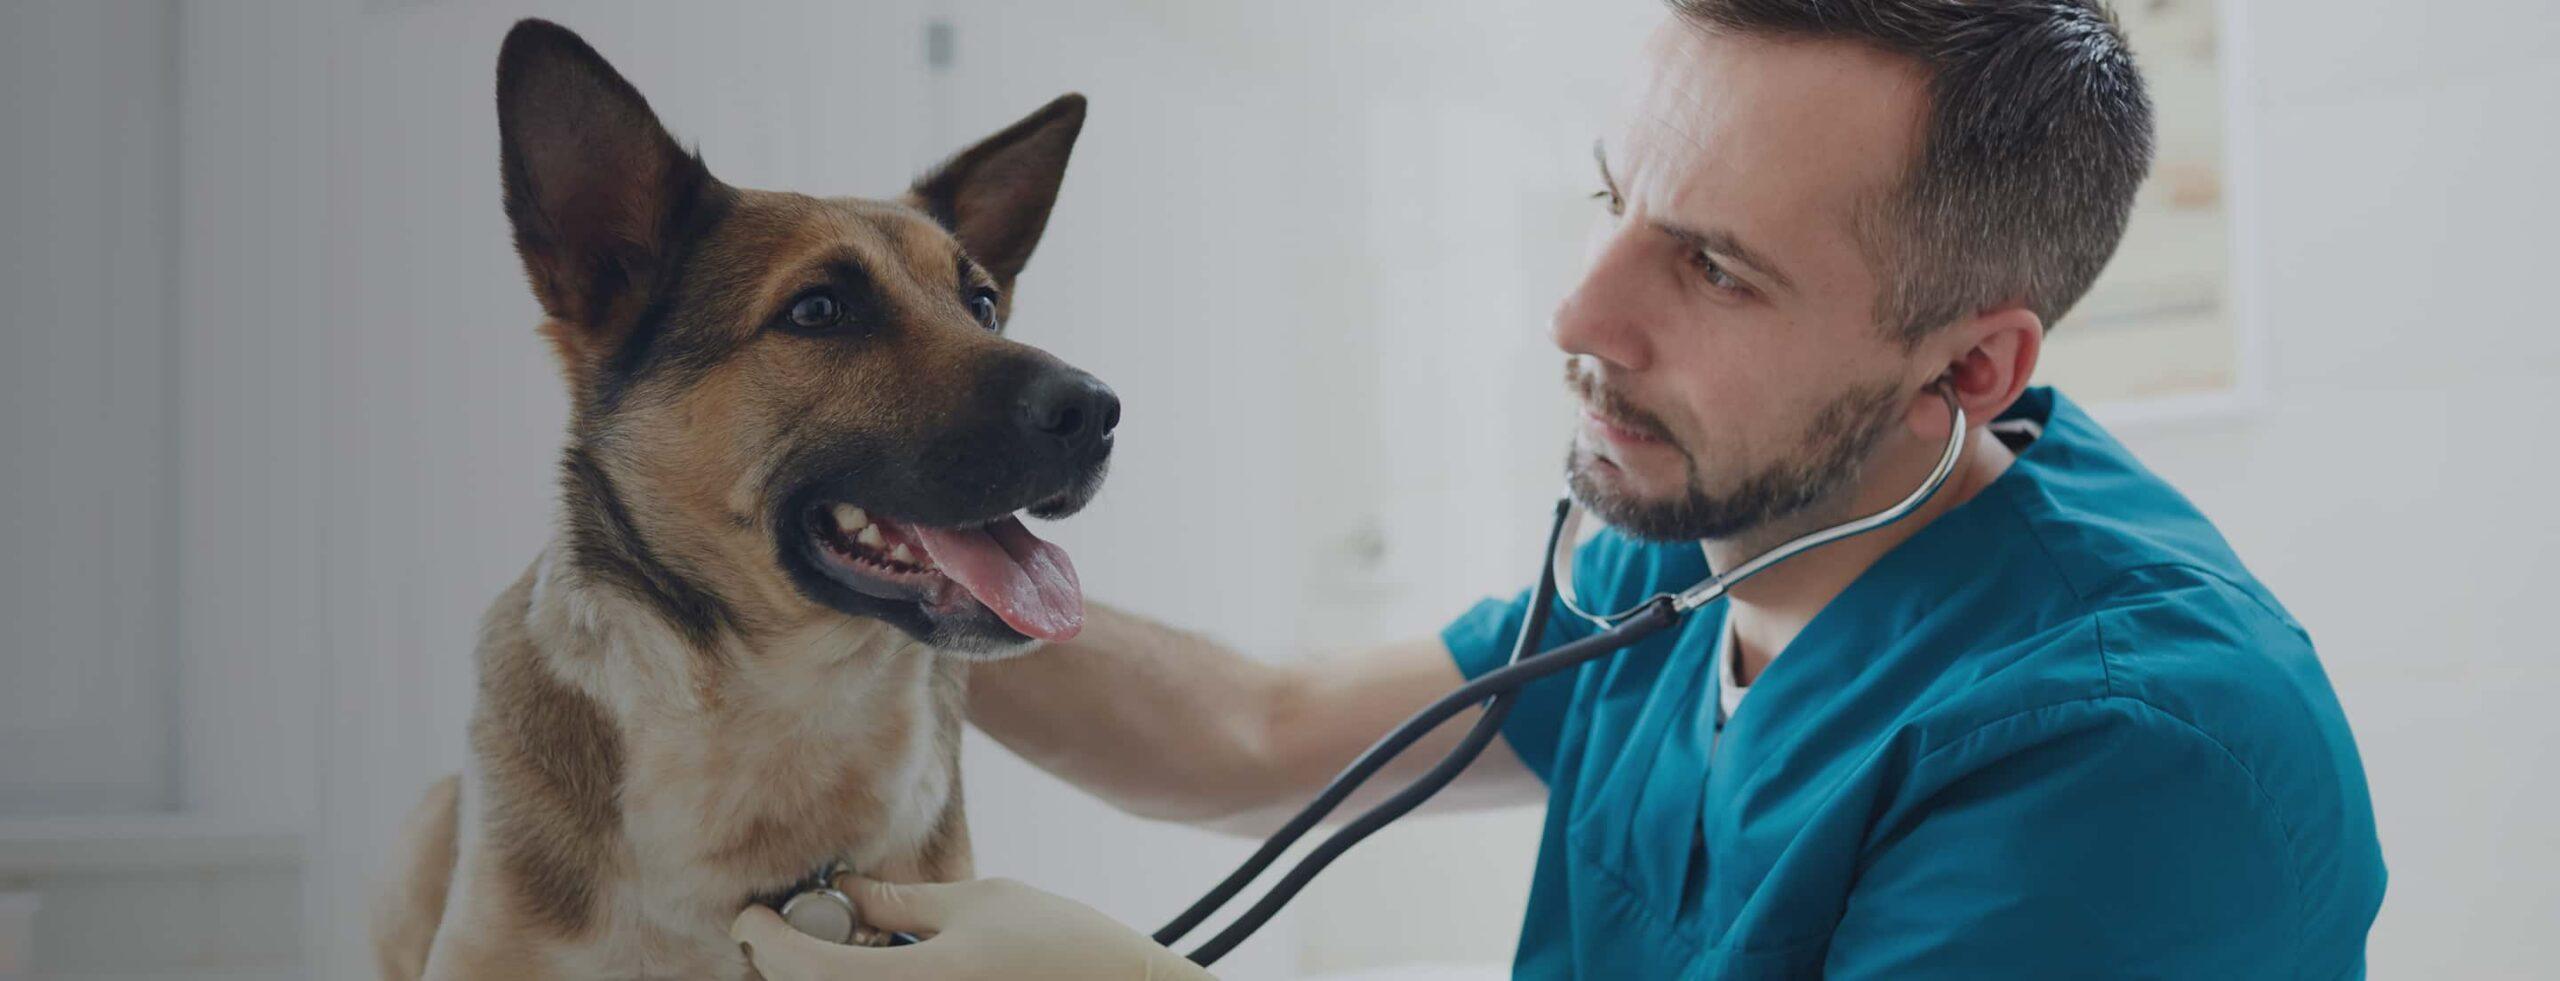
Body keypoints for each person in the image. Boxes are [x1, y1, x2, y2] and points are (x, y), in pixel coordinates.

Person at [734, 0, 2388, 976]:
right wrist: (910, 569)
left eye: (1716, 269)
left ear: (1968, 368)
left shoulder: (2139, 758)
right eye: (1615, 199)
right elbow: (1245, 731)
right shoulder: (1710, 547)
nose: (1581, 316)